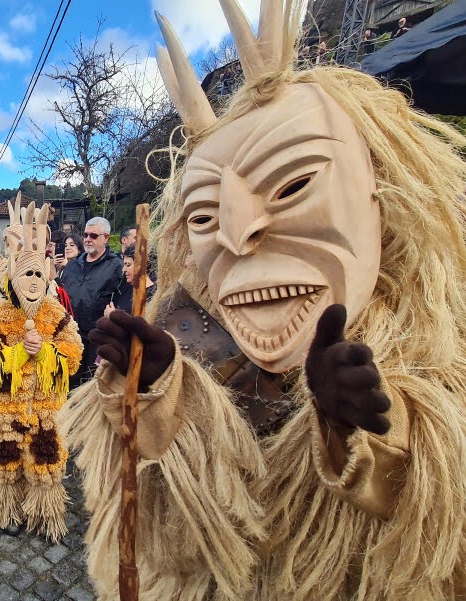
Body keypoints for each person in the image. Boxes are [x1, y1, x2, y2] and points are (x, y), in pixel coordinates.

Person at [60, 3, 466, 599]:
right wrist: (154, 390)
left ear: (383, 188)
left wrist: (372, 429)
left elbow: (435, 521)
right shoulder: (184, 313)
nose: (236, 231)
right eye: (204, 213)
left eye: (294, 183)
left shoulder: (432, 327)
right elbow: (156, 513)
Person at [0, 201, 82, 541]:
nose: (33, 281)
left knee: (44, 462)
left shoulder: (54, 310)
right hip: (4, 409)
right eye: (26, 274)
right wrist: (17, 354)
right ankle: (7, 511)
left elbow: (74, 351)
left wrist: (46, 353)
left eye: (38, 274)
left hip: (45, 409)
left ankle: (45, 516)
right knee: (4, 462)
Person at [57, 216, 123, 386]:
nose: (87, 239)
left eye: (93, 236)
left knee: (92, 385)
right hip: (71, 336)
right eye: (86, 235)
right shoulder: (72, 266)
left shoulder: (116, 266)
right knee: (68, 384)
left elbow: (122, 300)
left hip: (97, 338)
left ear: (106, 238)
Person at [104, 243, 156, 316]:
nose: (123, 269)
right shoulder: (125, 289)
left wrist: (114, 316)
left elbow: (142, 324)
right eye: (124, 265)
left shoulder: (153, 296)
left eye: (128, 265)